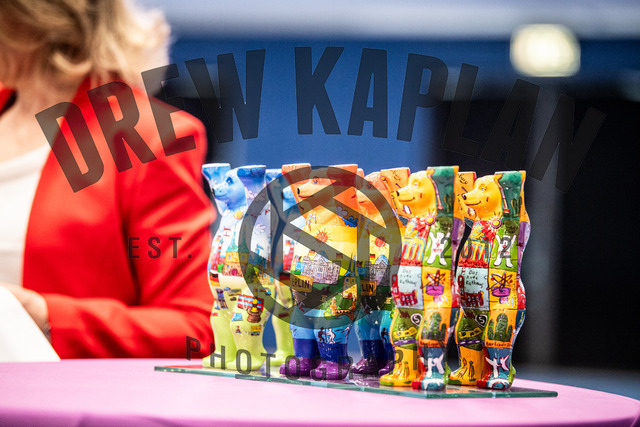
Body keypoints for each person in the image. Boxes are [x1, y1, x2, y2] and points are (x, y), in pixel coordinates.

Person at [0, 0, 215, 358]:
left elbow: (194, 327)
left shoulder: (149, 138)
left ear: (36, 17)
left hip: (52, 388)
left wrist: (45, 316)